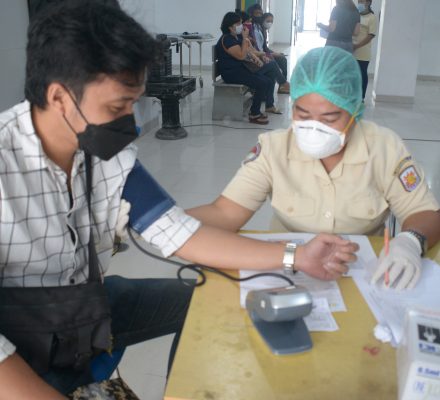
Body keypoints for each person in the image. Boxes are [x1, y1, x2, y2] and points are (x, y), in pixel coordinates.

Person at [0, 5, 359, 398]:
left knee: (204, 302)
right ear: (59, 97)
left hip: (83, 309)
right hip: (19, 346)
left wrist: (297, 256)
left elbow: (182, 233)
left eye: (133, 104)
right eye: (117, 107)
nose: (132, 123)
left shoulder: (106, 153)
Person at [187, 46, 440, 291]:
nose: (314, 128)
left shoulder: (384, 147)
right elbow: (225, 213)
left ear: (355, 112)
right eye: (303, 115)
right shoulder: (274, 148)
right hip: (286, 268)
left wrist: (410, 241)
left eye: (330, 118)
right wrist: (169, 222)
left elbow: (424, 212)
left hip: (365, 273)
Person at [216, 12, 284, 123]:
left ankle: (262, 108)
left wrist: (260, 56)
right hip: (232, 74)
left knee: (267, 80)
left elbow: (248, 51)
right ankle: (254, 114)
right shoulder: (227, 39)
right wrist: (244, 38)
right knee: (263, 82)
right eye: (238, 24)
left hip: (240, 69)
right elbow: (241, 56)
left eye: (241, 23)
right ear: (230, 26)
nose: (241, 26)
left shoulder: (234, 37)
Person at [353, 0, 377, 101]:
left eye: (362, 1)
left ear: (368, 2)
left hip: (363, 52)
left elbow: (371, 35)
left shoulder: (372, 17)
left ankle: (361, 97)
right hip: (351, 49)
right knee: (352, 75)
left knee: (362, 74)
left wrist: (357, 46)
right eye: (359, 1)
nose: (360, 3)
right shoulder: (356, 15)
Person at [261, 12, 288, 81]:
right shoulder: (260, 30)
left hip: (265, 52)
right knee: (281, 59)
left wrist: (275, 53)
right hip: (262, 54)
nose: (270, 23)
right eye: (268, 21)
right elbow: (263, 49)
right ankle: (283, 82)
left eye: (271, 21)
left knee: (282, 57)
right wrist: (273, 54)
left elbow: (265, 47)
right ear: (263, 20)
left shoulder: (264, 31)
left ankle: (284, 81)